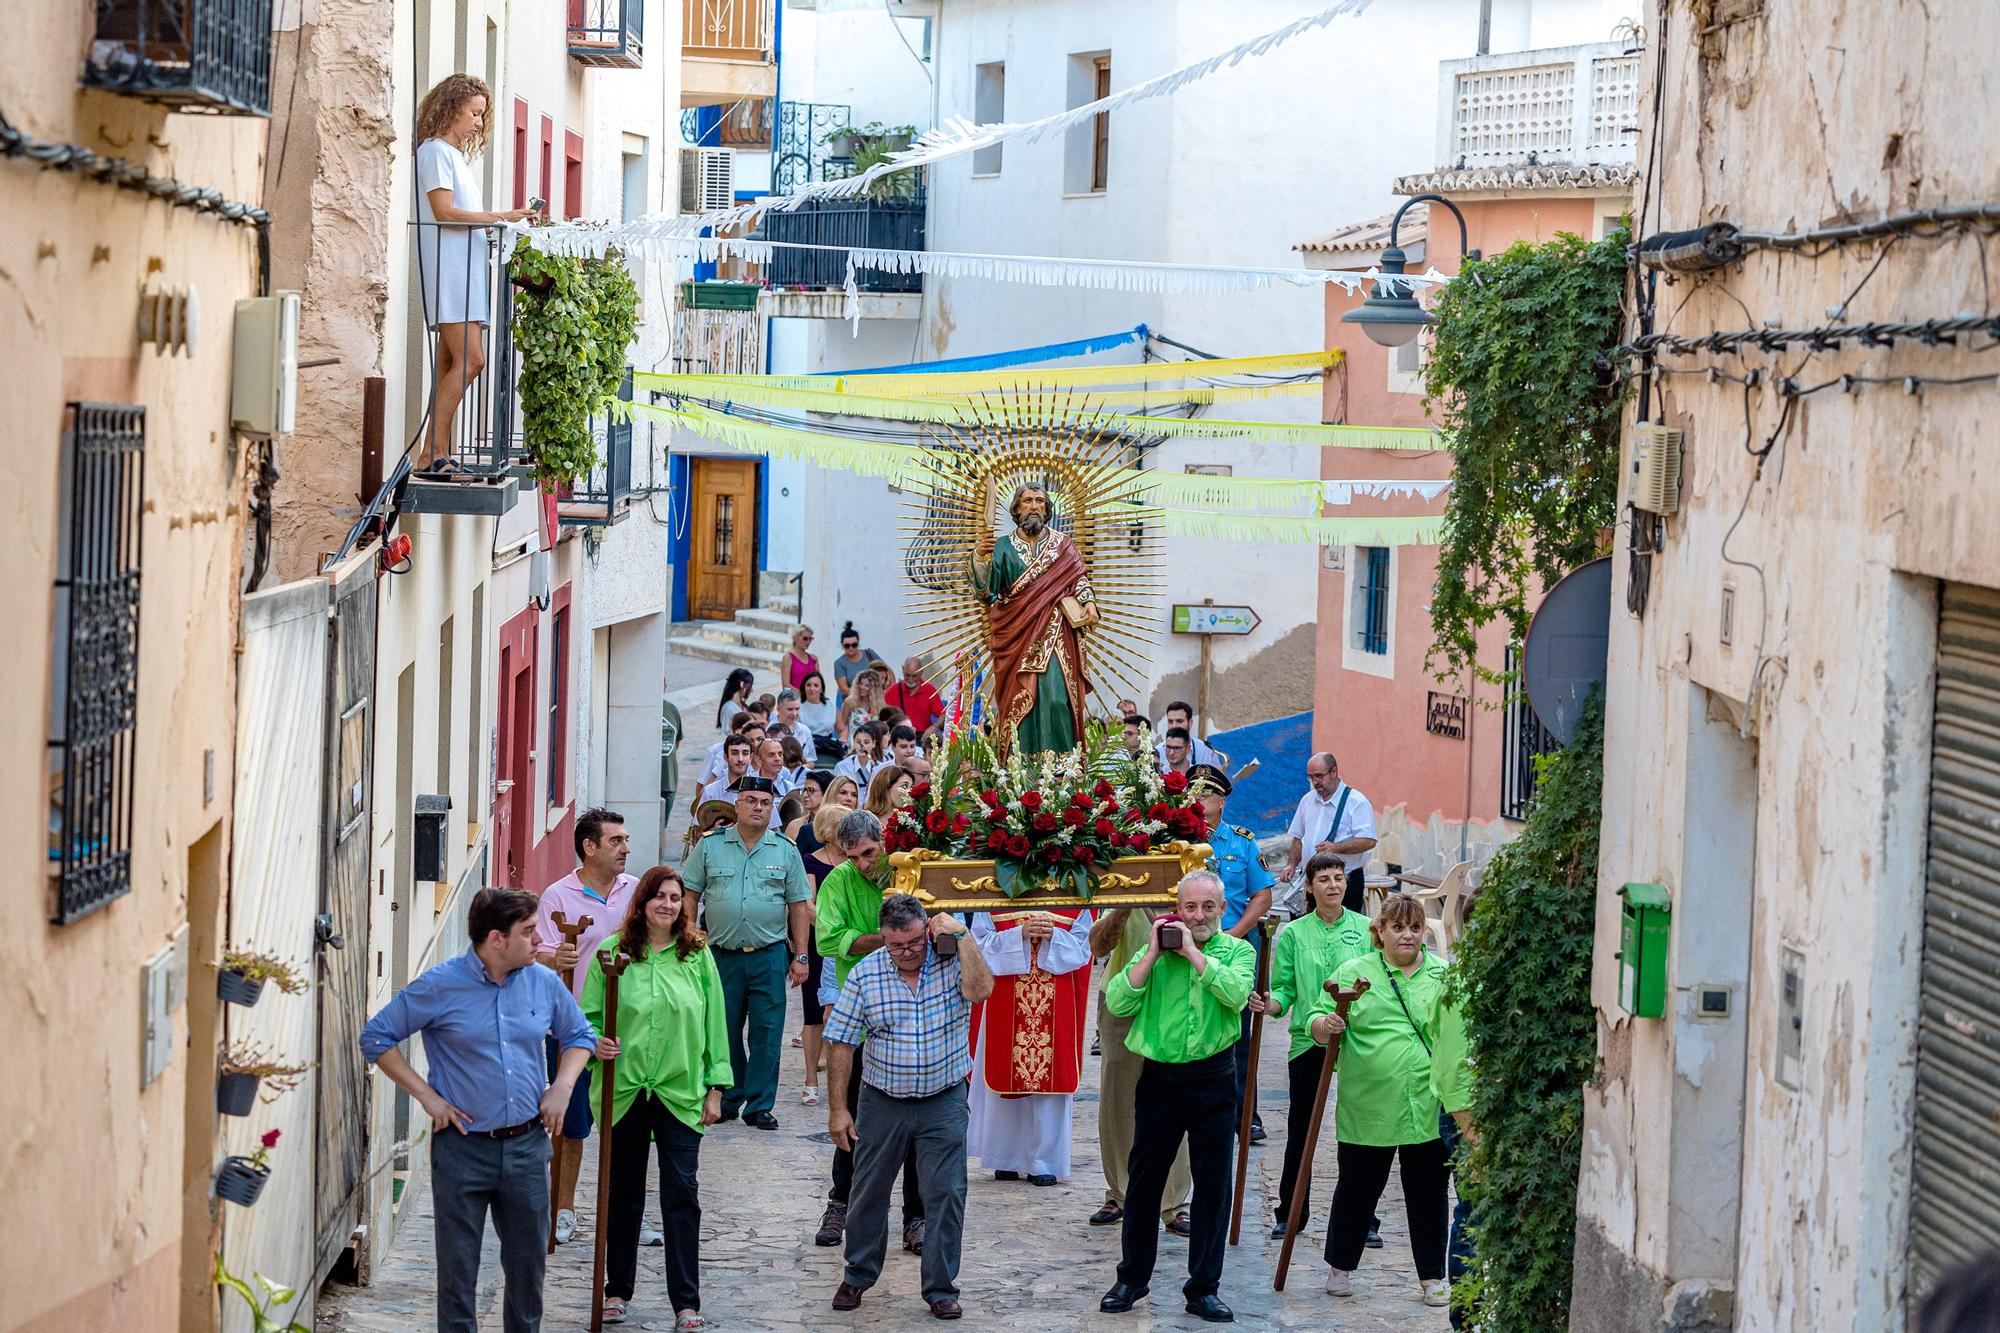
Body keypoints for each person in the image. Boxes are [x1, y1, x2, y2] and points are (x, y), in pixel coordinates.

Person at [360, 887, 603, 1333]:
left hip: (528, 1148)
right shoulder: (440, 986)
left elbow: (580, 1036)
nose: (538, 939)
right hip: (462, 1151)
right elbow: (376, 1038)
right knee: (458, 1278)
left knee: (528, 1273)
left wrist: (562, 1087)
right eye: (528, 931)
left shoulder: (543, 982)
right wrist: (427, 1097)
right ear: (497, 939)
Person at [825, 893, 995, 1320]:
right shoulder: (866, 975)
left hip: (944, 1096)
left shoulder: (953, 958)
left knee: (947, 1192)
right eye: (897, 945)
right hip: (883, 1099)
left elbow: (982, 990)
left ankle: (940, 1287)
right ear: (884, 939)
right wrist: (837, 1110)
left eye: (915, 942)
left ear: (927, 931)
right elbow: (842, 1043)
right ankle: (858, 1273)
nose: (908, 953)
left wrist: (962, 935)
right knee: (867, 1192)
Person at [1099, 871, 1255, 1325]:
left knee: (1212, 1187)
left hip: (1214, 1079)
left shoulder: (1237, 952)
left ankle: (1204, 1287)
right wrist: (1151, 952)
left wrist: (1190, 952)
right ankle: (1132, 1277)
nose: (1199, 916)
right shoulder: (1155, 955)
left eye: (1208, 907)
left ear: (1222, 910)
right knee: (1143, 1182)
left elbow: (1236, 994)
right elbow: (1119, 1002)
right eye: (1190, 907)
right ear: (1177, 909)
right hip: (1161, 1078)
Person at [581, 866, 731, 1329]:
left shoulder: (697, 955)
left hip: (680, 1090)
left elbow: (715, 1024)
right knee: (623, 1194)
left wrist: (716, 1087)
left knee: (681, 1194)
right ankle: (617, 1291)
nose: (668, 905)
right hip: (624, 1090)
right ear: (642, 902)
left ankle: (686, 1302)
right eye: (659, 897)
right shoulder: (612, 954)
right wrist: (594, 1042)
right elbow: (585, 1017)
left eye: (675, 897)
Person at [1307, 894, 1452, 1306]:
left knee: (1428, 1192)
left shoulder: (1443, 976)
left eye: (1414, 927)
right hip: (1368, 1104)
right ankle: (1340, 1266)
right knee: (1357, 1188)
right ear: (1380, 932)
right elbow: (1315, 1022)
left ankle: (1432, 1277)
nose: (1407, 935)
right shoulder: (1354, 974)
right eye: (1398, 927)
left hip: (1426, 1105)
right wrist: (1326, 1024)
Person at [811, 810, 926, 1253]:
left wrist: (879, 938)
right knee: (853, 1115)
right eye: (853, 857)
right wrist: (894, 939)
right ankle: (840, 1201)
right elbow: (828, 940)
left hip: (911, 1005)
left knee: (918, 1117)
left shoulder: (906, 865)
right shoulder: (840, 880)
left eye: (870, 854)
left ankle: (915, 1216)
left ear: (884, 840)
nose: (864, 864)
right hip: (862, 1004)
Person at [412, 74, 538, 471]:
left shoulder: (455, 158)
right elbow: (444, 213)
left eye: (482, 114)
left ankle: (438, 452)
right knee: (472, 360)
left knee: (452, 364)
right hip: (449, 272)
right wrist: (501, 215)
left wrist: (501, 224)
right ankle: (431, 452)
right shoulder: (434, 152)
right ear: (452, 108)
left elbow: (464, 218)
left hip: (463, 271)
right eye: (475, 113)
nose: (479, 122)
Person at [681, 776, 812, 1130]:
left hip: (769, 954)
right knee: (722, 1030)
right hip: (720, 954)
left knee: (768, 1032)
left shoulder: (784, 849)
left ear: (772, 809)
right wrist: (690, 937)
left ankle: (760, 1103)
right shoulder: (710, 846)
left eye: (764, 803)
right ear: (737, 805)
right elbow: (690, 894)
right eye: (751, 801)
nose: (758, 807)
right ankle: (727, 1097)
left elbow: (799, 904)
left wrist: (801, 956)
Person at [1254, 853, 1374, 1240]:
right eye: (1324, 879)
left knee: (1362, 1132)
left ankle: (1363, 1218)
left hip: (1358, 1040)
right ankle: (1290, 1211)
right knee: (1301, 1128)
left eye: (1339, 878)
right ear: (1309, 886)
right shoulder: (1293, 934)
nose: (1333, 885)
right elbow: (1285, 990)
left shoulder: (1367, 929)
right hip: (1309, 1038)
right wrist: (1268, 1003)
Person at [533, 808, 639, 1245]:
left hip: (627, 1025)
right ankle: (564, 1206)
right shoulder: (558, 896)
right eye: (615, 841)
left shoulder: (636, 892)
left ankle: (626, 1211)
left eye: (626, 840)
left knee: (629, 1128)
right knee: (571, 1125)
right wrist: (553, 958)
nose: (626, 849)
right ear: (589, 847)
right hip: (572, 1028)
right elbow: (536, 952)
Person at [970, 483, 1099, 759]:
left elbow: (1078, 580)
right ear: (1017, 508)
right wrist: (981, 557)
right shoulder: (1003, 546)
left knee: (1056, 698)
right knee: (1019, 698)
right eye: (1027, 501)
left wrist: (1088, 602)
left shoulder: (1063, 545)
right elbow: (987, 594)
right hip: (1015, 634)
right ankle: (1021, 765)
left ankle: (1063, 764)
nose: (1034, 506)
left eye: (1040, 501)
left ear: (1047, 508)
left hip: (1055, 634)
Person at [1087, 904, 1194, 1235]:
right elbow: (1098, 947)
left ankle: (1174, 1204)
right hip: (1122, 995)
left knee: (1177, 1098)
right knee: (1118, 1095)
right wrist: (1124, 906)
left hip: (1176, 996)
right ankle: (1120, 1194)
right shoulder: (1125, 877)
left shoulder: (1189, 883)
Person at [966, 908, 1093, 1186]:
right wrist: (1019, 934)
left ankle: (1044, 1161)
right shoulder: (994, 894)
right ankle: (1005, 1157)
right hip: (1005, 993)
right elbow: (979, 943)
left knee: (1051, 1080)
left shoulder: (1075, 895)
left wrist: (1054, 935)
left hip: (1056, 996)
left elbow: (1085, 947)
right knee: (1003, 1071)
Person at [1187, 765, 1275, 1144]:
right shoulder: (1176, 840)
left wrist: (1234, 935)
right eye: (1191, 792)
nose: (1197, 800)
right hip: (1186, 950)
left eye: (1205, 794)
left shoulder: (1241, 843)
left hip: (1234, 950)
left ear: (1221, 802)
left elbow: (1263, 896)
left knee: (1239, 1036)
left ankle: (1244, 1114)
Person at [797, 801, 853, 1110]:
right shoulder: (810, 861)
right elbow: (807, 905)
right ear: (830, 830)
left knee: (844, 1012)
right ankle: (810, 1079)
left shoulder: (853, 862)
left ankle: (840, 1079)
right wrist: (837, 927)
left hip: (848, 946)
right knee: (813, 1014)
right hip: (822, 945)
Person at [1285, 752, 1378, 913]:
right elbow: (1298, 838)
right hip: (1311, 880)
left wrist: (1335, 848)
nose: (1315, 782)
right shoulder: (1307, 800)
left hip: (1344, 882)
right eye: (1311, 777)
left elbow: (1368, 840)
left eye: (1319, 776)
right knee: (1305, 933)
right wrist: (1291, 864)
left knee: (1342, 933)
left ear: (1334, 771)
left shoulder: (1356, 801)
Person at [885, 656, 946, 735]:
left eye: (914, 676)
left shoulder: (929, 691)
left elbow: (943, 715)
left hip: (922, 737)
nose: (910, 679)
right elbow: (879, 711)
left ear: (921, 672)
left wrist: (935, 726)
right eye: (907, 675)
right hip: (899, 737)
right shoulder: (893, 690)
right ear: (903, 670)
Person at [1156, 701, 1225, 768]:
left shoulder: (1206, 750)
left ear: (1190, 723)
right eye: (1170, 722)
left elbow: (1216, 779)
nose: (1174, 726)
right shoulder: (1157, 752)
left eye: (1179, 721)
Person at [692, 732, 753, 809]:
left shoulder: (760, 790)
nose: (740, 759)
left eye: (745, 753)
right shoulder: (710, 792)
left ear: (751, 757)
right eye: (734, 753)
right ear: (725, 757)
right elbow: (700, 819)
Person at [831, 623, 884, 705]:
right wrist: (863, 695)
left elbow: (886, 671)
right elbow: (844, 689)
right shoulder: (839, 663)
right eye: (847, 646)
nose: (851, 648)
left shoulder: (870, 654)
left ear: (858, 643)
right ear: (842, 645)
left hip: (875, 701)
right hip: (854, 703)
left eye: (854, 645)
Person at [798, 671, 843, 759]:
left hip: (828, 748)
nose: (812, 688)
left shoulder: (831, 705)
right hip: (804, 750)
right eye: (808, 685)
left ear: (821, 689)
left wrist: (842, 739)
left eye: (816, 685)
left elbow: (842, 730)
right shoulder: (797, 706)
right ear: (804, 687)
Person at [786, 770, 832, 850]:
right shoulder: (794, 826)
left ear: (826, 793)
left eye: (811, 790)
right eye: (804, 790)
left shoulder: (836, 825)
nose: (805, 795)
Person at [834, 720, 886, 790]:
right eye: (858, 742)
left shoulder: (880, 768)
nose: (862, 746)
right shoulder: (842, 767)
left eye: (866, 742)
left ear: (874, 744)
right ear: (854, 743)